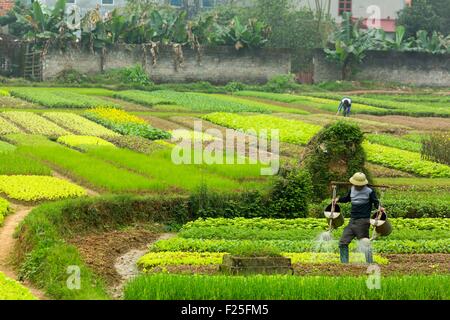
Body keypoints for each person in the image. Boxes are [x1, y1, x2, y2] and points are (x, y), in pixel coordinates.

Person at [333, 172, 383, 264]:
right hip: (352, 221)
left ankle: (369, 263)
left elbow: (375, 202)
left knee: (365, 243)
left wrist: (380, 208)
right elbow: (347, 198)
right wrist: (338, 200)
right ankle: (344, 264)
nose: (356, 186)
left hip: (363, 222)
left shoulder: (369, 191)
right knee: (343, 243)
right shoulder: (352, 189)